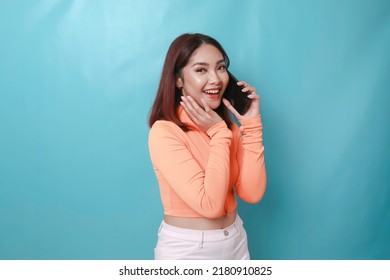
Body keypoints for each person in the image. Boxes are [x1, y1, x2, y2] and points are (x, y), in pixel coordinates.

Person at [148, 33, 266, 260]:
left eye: (220, 68)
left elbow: (252, 193)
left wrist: (251, 124)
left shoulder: (227, 128)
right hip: (190, 251)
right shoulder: (165, 132)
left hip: (236, 241)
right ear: (178, 79)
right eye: (201, 70)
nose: (216, 79)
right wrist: (219, 132)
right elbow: (210, 205)